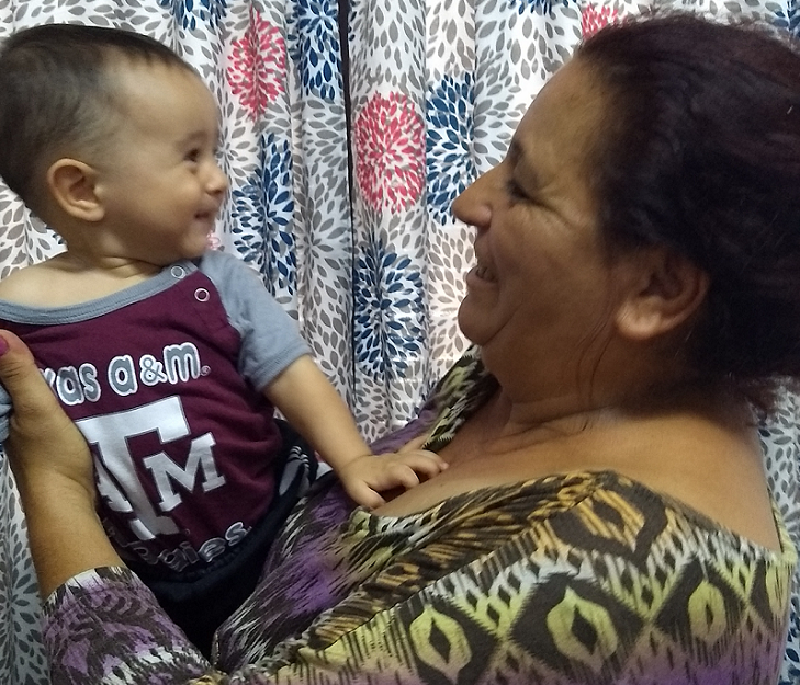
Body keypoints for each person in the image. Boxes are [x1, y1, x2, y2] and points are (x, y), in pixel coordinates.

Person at [5, 13, 800, 684]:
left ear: (657, 289)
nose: (466, 199)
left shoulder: (610, 581)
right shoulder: (523, 375)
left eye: (523, 188)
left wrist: (54, 490)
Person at [0, 23, 445, 654]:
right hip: (147, 577)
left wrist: (354, 460)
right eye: (191, 156)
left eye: (214, 153)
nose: (218, 179)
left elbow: (290, 371)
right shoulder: (16, 324)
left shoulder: (213, 281)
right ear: (82, 188)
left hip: (277, 527)